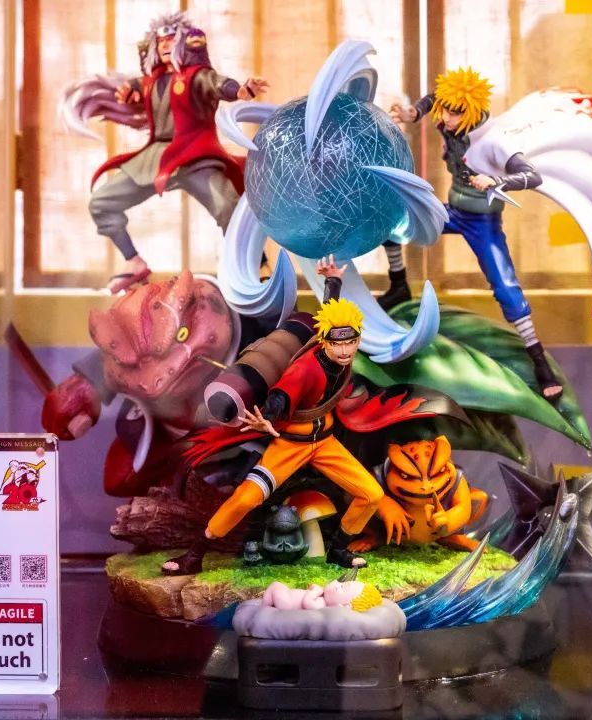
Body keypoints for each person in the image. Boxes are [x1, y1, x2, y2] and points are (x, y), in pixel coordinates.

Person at [161, 256, 385, 575]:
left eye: (351, 342)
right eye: (339, 344)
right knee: (245, 499)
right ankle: (195, 554)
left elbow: (331, 311)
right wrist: (267, 418)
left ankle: (338, 549)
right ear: (324, 340)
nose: (345, 350)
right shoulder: (306, 368)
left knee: (371, 494)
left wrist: (333, 280)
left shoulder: (336, 339)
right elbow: (281, 395)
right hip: (290, 445)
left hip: (325, 443)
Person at [388, 67, 562, 401]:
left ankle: (539, 361)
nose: (446, 118)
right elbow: (437, 98)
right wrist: (414, 113)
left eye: (454, 112)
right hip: (451, 212)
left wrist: (498, 181)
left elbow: (532, 176)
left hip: (483, 223)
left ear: (469, 111)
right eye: (446, 111)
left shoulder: (495, 141)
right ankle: (398, 286)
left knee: (506, 287)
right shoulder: (449, 120)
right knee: (391, 223)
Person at [70, 12, 268, 294]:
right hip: (156, 159)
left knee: (229, 207)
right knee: (102, 202)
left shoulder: (196, 76)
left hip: (195, 157)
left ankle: (255, 265)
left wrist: (241, 90)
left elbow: (217, 83)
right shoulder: (150, 81)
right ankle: (133, 261)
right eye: (160, 41)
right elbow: (134, 89)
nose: (165, 45)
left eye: (171, 40)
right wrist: (127, 94)